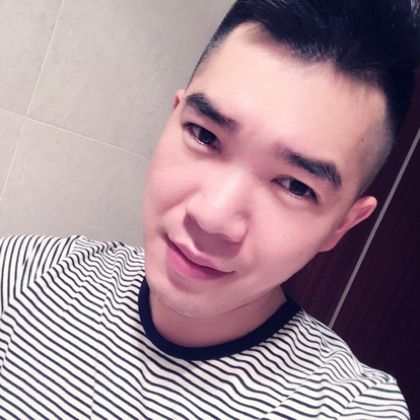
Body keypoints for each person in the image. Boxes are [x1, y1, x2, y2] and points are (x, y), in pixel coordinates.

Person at [0, 0, 418, 418]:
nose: (213, 216)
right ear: (173, 118)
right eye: (204, 135)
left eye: (296, 186)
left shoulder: (349, 408)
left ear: (341, 225)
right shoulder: (27, 273)